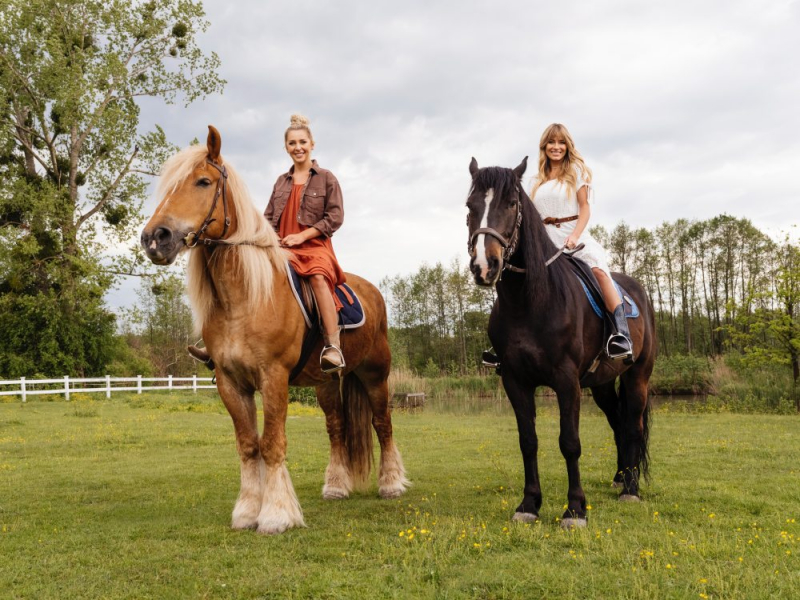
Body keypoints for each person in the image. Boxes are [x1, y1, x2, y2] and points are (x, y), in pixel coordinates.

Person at [529, 123, 633, 361]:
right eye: (551, 142)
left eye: (561, 142)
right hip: (543, 243)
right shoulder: (534, 181)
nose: (556, 147)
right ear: (544, 146)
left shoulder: (577, 171)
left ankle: (620, 334)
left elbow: (585, 208)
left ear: (568, 146)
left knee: (598, 271)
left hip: (573, 235)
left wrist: (575, 235)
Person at [263, 114, 347, 373]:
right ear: (286, 147)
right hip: (281, 248)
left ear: (312, 144)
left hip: (314, 247)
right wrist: (267, 239)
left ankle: (333, 347)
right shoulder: (281, 181)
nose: (297, 147)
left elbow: (335, 217)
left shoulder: (326, 178)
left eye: (302, 142)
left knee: (318, 277)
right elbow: (268, 218)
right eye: (292, 143)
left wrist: (302, 236)